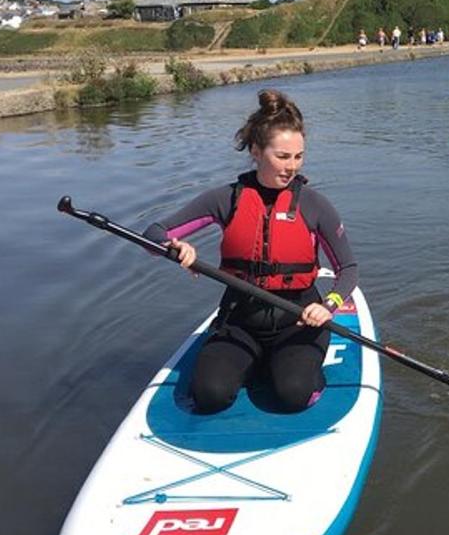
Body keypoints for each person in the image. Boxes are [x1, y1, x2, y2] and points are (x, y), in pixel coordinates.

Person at [143, 90, 358, 414]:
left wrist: (329, 304)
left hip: (299, 320)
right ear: (256, 151)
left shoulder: (315, 205)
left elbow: (348, 268)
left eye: (298, 156)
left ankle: (286, 368)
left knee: (293, 395)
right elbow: (152, 236)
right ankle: (253, 363)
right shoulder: (224, 199)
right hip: (240, 320)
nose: (292, 167)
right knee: (210, 396)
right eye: (282, 156)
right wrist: (173, 247)